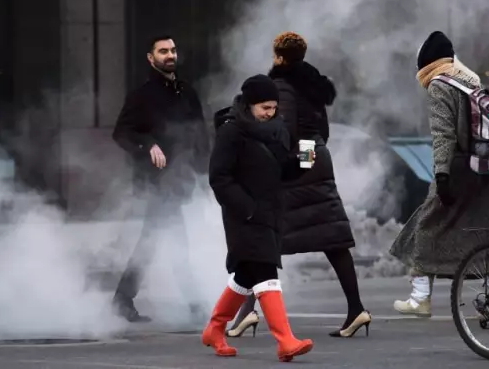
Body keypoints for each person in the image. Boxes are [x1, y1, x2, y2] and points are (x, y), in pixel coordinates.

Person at [229, 32, 371, 339]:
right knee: (331, 237)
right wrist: (311, 156)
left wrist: (276, 163)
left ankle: (247, 313)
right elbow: (320, 130)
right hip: (317, 156)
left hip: (297, 161)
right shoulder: (312, 84)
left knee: (263, 237)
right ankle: (356, 309)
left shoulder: (281, 86)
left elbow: (284, 130)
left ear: (279, 56)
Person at [389, 31, 489, 317]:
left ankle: (420, 298)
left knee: (426, 227)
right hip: (484, 167)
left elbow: (443, 135)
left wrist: (441, 175)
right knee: (487, 231)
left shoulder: (439, 85)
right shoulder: (470, 82)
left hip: (457, 168)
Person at [202, 74, 313, 362]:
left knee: (245, 275)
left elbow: (283, 171)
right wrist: (247, 208)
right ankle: (285, 340)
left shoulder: (277, 130)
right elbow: (219, 178)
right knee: (265, 270)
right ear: (249, 104)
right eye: (265, 107)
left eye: (274, 107)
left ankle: (215, 328)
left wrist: (306, 157)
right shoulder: (231, 132)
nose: (270, 113)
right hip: (244, 216)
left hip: (270, 213)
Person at [110, 35, 209, 322]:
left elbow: (200, 135)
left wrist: (205, 173)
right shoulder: (141, 96)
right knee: (169, 239)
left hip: (181, 179)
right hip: (156, 182)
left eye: (173, 50)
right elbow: (122, 133)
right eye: (163, 51)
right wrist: (148, 145)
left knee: (152, 240)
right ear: (150, 58)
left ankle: (123, 300)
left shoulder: (187, 93)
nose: (170, 55)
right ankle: (194, 305)